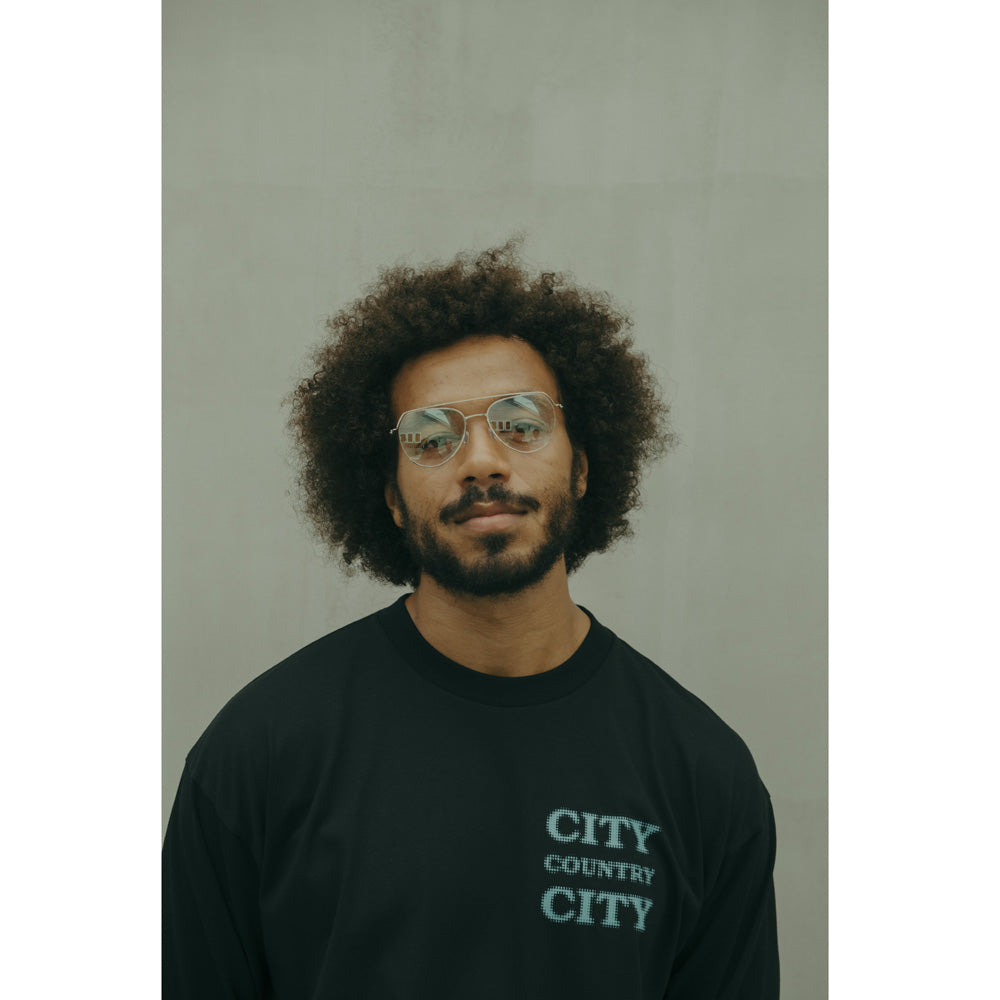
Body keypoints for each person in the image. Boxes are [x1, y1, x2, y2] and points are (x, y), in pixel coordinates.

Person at [162, 242, 780, 998]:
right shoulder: (259, 754)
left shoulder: (702, 773)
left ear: (583, 466)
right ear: (391, 497)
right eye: (430, 438)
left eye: (522, 424)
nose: (482, 462)